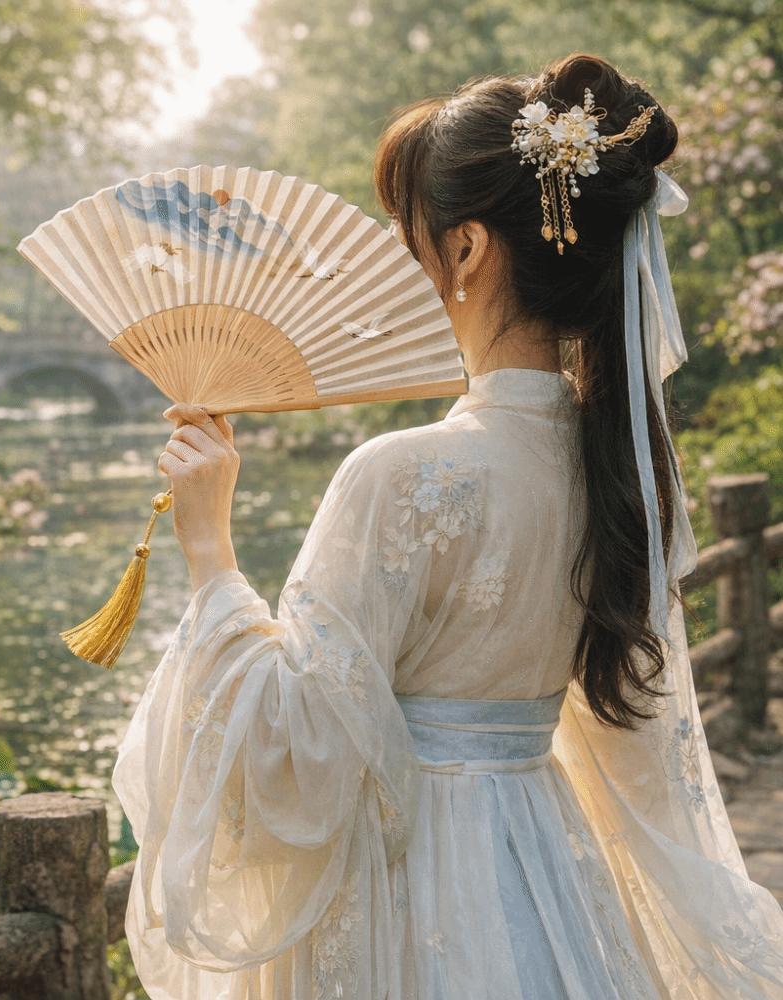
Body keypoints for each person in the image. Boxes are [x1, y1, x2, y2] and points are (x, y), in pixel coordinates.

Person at [111, 52, 783, 999]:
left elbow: (300, 750)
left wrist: (209, 545)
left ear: (464, 250)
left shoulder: (400, 474)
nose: (397, 252)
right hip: (547, 862)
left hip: (407, 879)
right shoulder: (623, 468)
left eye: (405, 229)